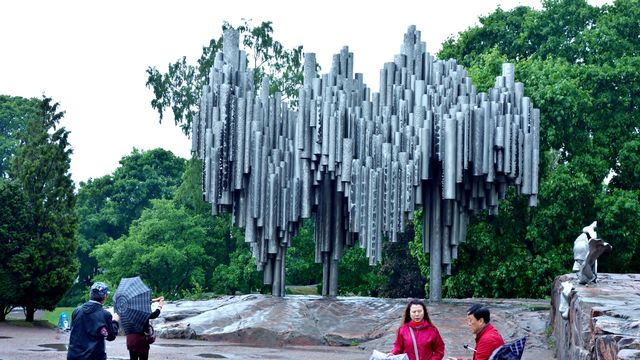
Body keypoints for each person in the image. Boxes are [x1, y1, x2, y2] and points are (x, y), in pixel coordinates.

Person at [67, 282, 120, 360]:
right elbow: (111, 336)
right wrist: (114, 321)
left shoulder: (77, 311)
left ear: (90, 295)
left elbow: (73, 330)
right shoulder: (105, 314)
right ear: (105, 296)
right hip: (94, 356)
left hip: (74, 356)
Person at [126, 296, 165, 360]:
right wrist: (160, 305)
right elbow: (155, 314)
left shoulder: (128, 310)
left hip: (131, 339)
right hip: (141, 340)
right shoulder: (143, 312)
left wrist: (155, 300)